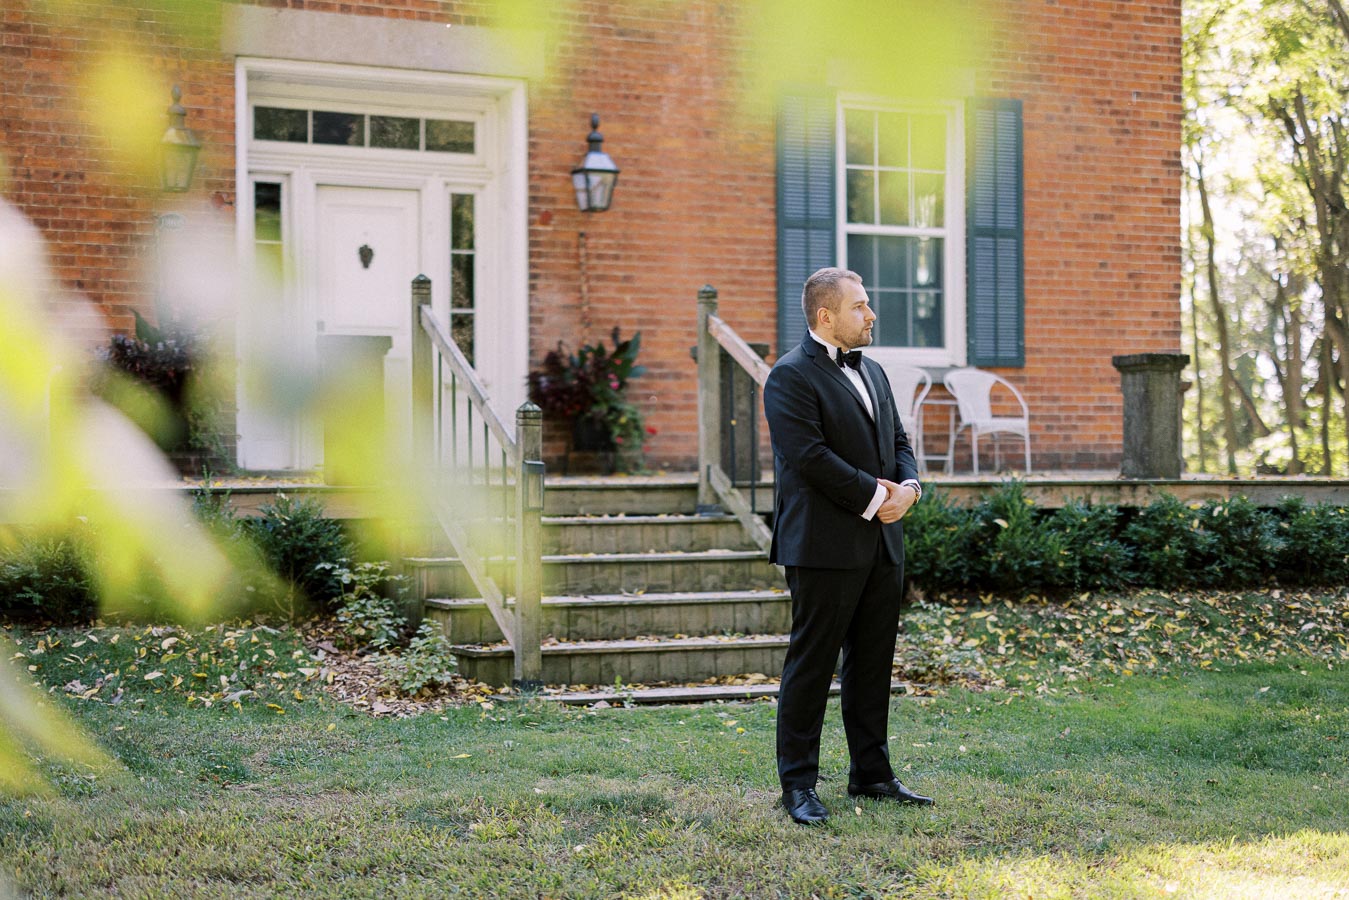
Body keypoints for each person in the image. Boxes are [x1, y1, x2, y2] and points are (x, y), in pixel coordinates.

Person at [763, 266, 935, 826]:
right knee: (811, 665)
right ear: (825, 316)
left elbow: (900, 441)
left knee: (872, 664)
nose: (871, 314)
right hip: (822, 544)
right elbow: (809, 458)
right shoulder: (789, 377)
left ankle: (872, 773)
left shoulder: (877, 371)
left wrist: (907, 490)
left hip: (883, 540)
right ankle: (799, 786)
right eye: (860, 306)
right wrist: (873, 496)